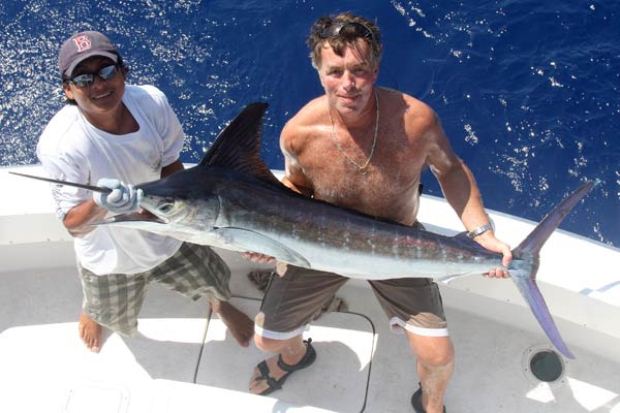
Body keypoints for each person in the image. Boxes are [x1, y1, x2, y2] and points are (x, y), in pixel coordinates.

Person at [245, 13, 512, 413]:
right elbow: (296, 190)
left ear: (376, 69)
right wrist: (267, 237)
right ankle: (297, 355)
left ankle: (432, 405)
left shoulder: (415, 121)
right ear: (318, 70)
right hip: (320, 244)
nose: (348, 84)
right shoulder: (299, 133)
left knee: (438, 357)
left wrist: (482, 232)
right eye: (335, 71)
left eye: (360, 70)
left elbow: (450, 169)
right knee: (267, 338)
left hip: (399, 247)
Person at [36, 31, 254, 353]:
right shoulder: (61, 144)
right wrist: (99, 202)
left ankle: (218, 304)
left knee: (214, 279)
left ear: (123, 71)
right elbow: (74, 225)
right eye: (84, 78)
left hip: (170, 231)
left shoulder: (151, 102)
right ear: (68, 89)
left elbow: (171, 163)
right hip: (112, 259)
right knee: (111, 314)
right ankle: (93, 310)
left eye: (107, 71)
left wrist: (166, 211)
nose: (99, 85)